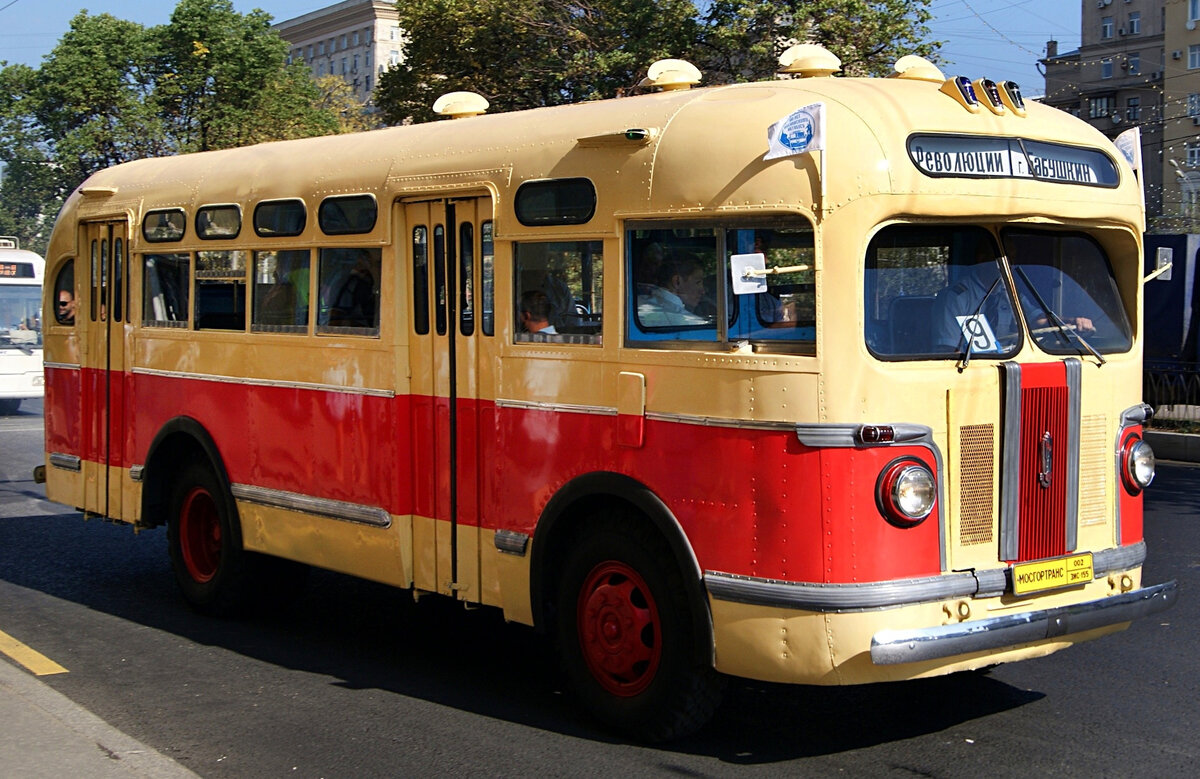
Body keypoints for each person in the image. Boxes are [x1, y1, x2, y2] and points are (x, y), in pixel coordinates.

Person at [637, 251, 711, 327]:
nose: (703, 291)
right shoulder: (692, 324)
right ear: (677, 282)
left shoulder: (636, 303)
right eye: (698, 282)